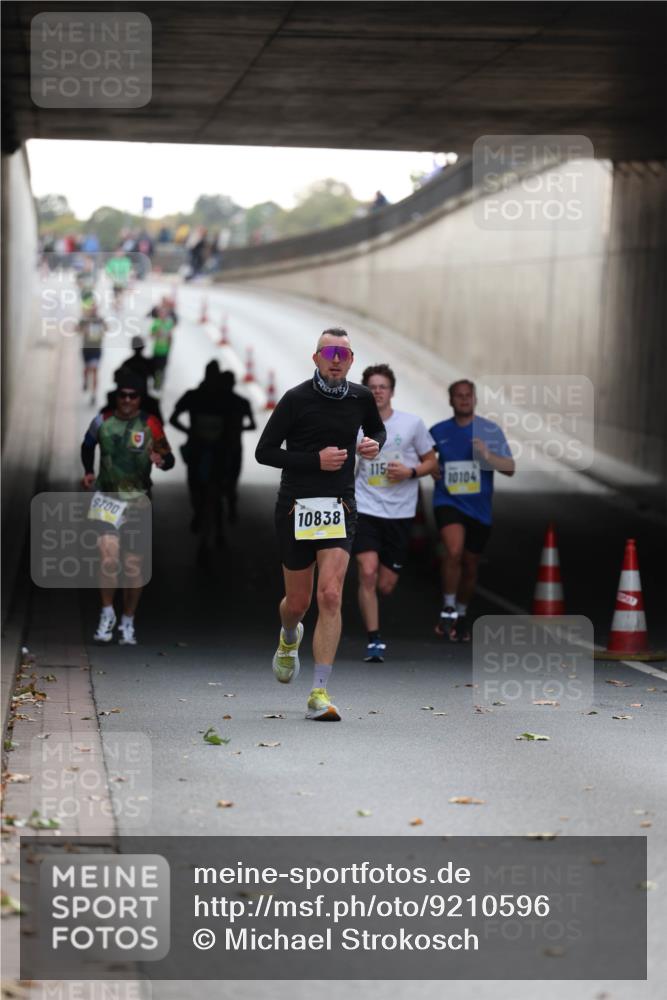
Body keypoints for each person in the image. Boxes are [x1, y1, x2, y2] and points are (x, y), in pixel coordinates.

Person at [255, 328, 385, 721]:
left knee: (330, 595)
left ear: (350, 360)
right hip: (296, 506)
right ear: (316, 358)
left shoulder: (361, 398)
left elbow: (376, 428)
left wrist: (373, 443)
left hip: (339, 505)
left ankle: (319, 693)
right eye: (329, 352)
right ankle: (288, 636)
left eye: (343, 353)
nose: (336, 358)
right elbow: (264, 452)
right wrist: (314, 461)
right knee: (298, 603)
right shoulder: (296, 399)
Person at [81, 367, 175, 645]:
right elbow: (87, 446)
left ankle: (128, 619)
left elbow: (169, 460)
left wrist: (161, 460)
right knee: (108, 558)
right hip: (107, 499)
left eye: (133, 396)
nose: (127, 400)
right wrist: (88, 470)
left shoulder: (151, 424)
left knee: (133, 566)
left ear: (139, 399)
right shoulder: (102, 420)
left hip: (138, 502)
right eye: (122, 395)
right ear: (116, 396)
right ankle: (107, 612)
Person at [353, 364, 437, 662]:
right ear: (365, 391)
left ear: (392, 391)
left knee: (385, 584)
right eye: (372, 387)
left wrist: (410, 471)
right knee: (367, 571)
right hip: (366, 508)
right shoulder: (356, 426)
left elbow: (433, 463)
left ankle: (369, 599)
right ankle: (374, 640)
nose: (377, 391)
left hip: (400, 515)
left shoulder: (411, 424)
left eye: (382, 387)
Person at [430, 379, 515, 642]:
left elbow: (510, 468)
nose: (464, 399)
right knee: (453, 551)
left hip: (478, 508)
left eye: (468, 395)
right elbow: (421, 458)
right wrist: (431, 467)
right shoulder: (438, 431)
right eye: (458, 396)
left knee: (470, 563)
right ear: (451, 400)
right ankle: (447, 608)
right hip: (448, 501)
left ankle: (462, 614)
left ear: (475, 399)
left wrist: (487, 455)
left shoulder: (489, 431)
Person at [169, 361, 229, 551]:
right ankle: (216, 529)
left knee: (200, 489)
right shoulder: (223, 398)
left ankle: (206, 520)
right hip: (213, 451)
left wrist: (189, 432)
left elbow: (173, 418)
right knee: (215, 491)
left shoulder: (194, 396)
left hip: (199, 449)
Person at [219, 370, 256, 523]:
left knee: (216, 481)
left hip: (218, 447)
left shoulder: (216, 403)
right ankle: (232, 510)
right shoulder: (242, 402)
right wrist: (238, 428)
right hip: (234, 447)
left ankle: (219, 513)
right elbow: (252, 425)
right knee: (232, 482)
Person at [77, 300, 107, 406]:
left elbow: (107, 329)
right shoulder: (85, 319)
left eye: (95, 308)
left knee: (94, 370)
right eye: (92, 308)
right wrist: (84, 330)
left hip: (96, 349)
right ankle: (85, 380)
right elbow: (77, 329)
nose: (94, 310)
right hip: (86, 349)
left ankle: (94, 395)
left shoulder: (100, 320)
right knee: (86, 369)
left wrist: (102, 330)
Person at [149, 303, 176, 391]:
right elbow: (151, 335)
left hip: (165, 351)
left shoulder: (169, 323)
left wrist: (169, 348)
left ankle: (158, 386)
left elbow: (171, 336)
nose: (162, 314)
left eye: (164, 313)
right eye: (161, 313)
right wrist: (157, 333)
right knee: (155, 369)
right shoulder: (156, 323)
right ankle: (156, 383)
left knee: (162, 369)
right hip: (156, 350)